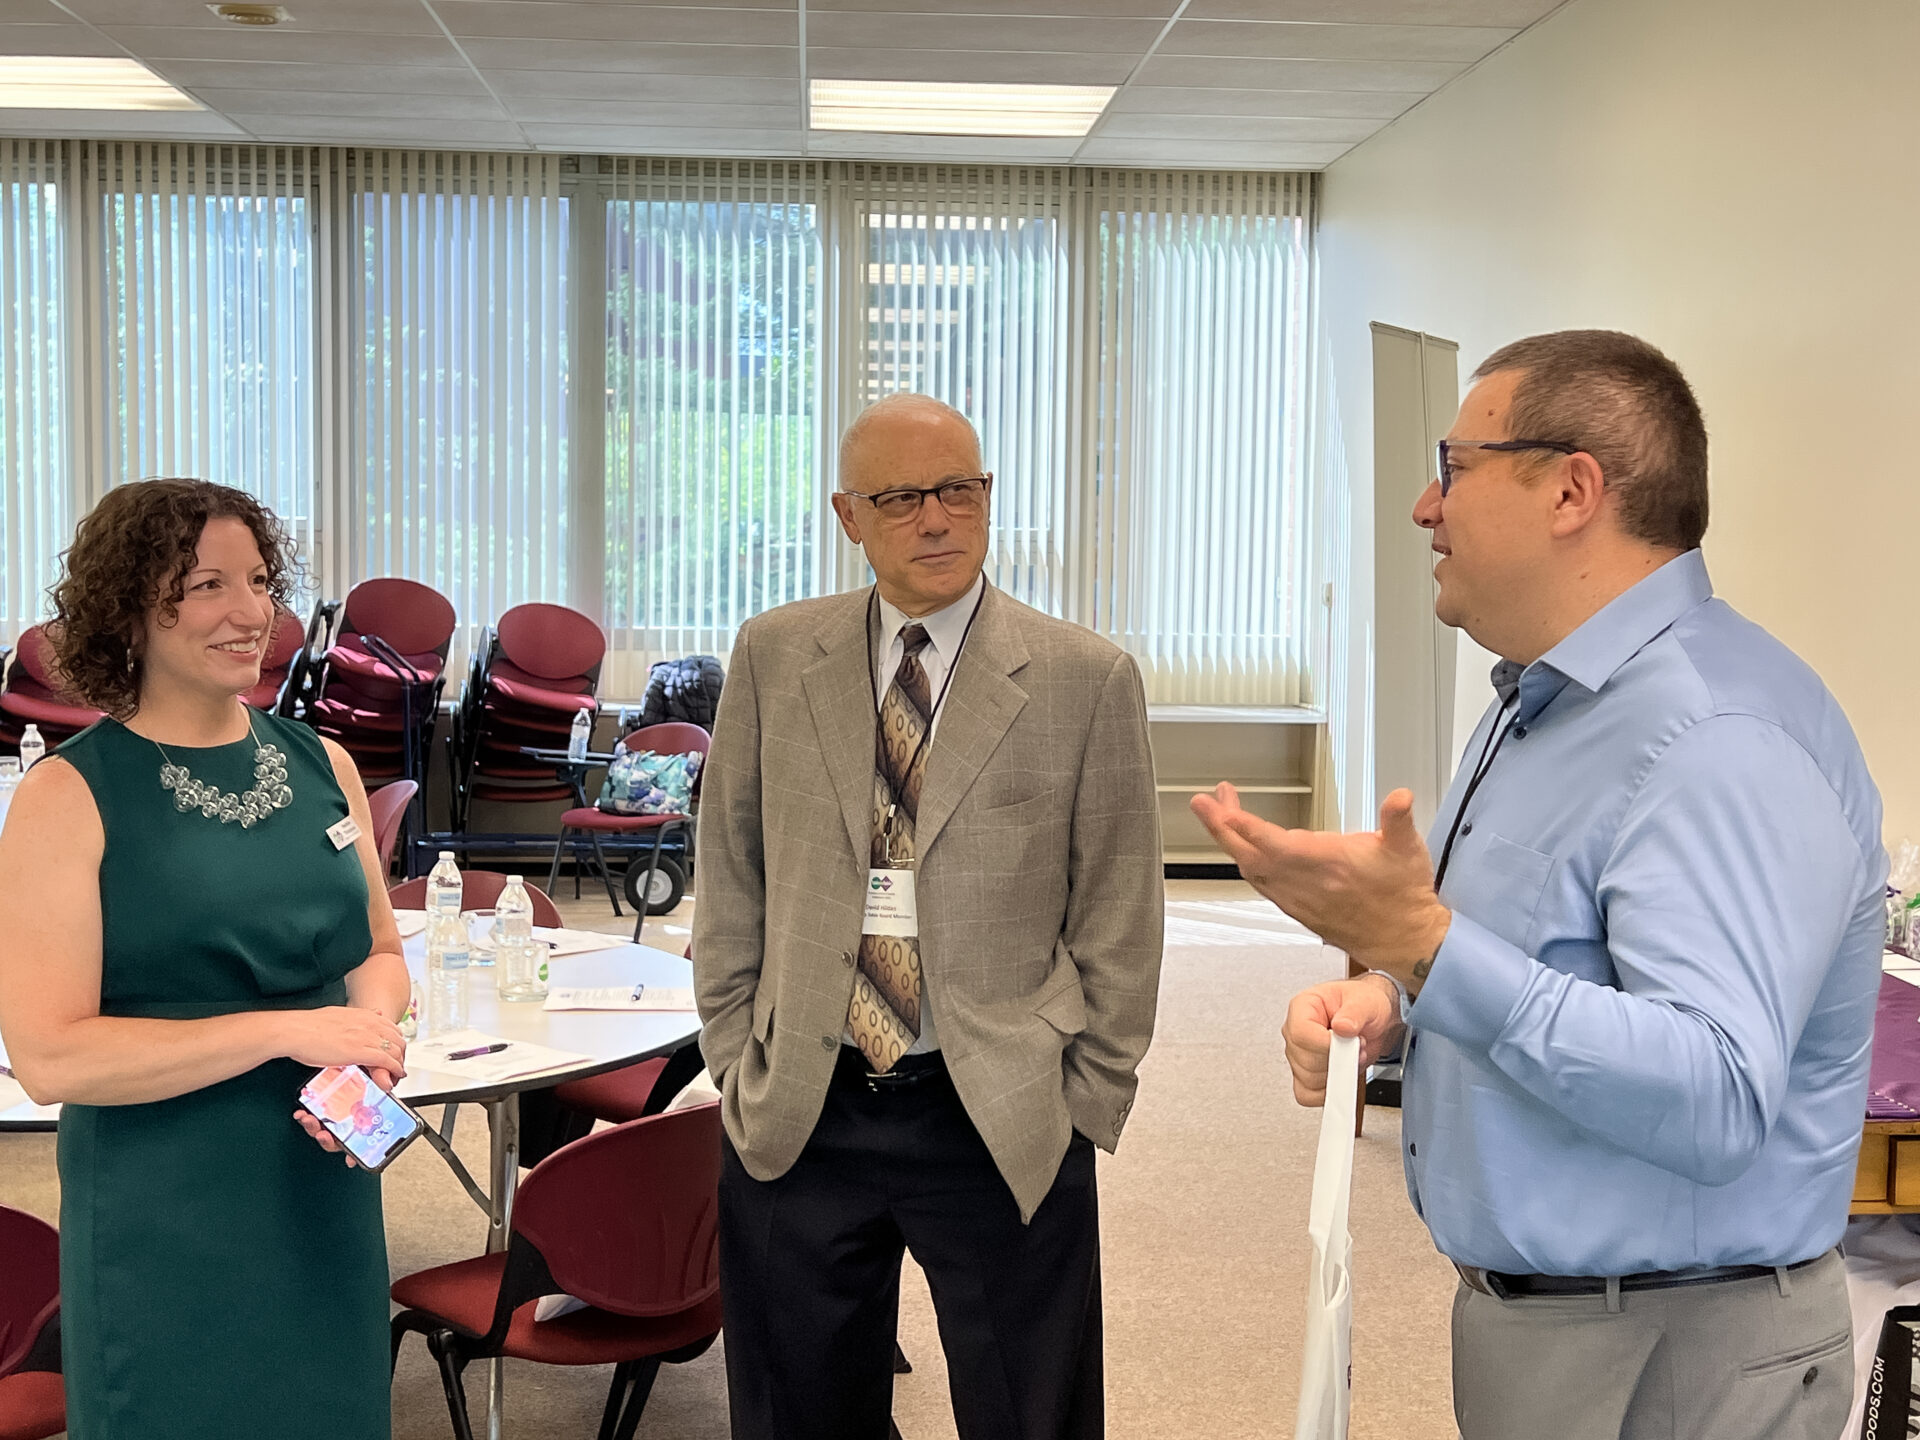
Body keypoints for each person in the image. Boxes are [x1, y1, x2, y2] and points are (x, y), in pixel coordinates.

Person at [1194, 331, 1886, 1440]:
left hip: (1675, 1355)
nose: (1426, 505)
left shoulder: (1717, 738)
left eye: (1455, 466)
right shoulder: (1543, 699)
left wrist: (1423, 949)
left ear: (1573, 490)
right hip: (1560, 1334)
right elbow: (1542, 959)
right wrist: (1395, 1002)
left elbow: (1716, 1094)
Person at [694, 393, 1164, 1440]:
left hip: (995, 1104)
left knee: (1030, 1411)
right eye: (901, 498)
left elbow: (1120, 915)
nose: (938, 519)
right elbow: (731, 865)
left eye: (959, 489)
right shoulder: (776, 655)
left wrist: (1089, 1095)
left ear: (987, 495)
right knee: (798, 1411)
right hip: (804, 1100)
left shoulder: (1085, 680)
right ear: (847, 515)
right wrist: (737, 1049)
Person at [0, 479, 411, 1440]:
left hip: (323, 1178)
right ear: (129, 609)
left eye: (261, 581)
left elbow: (379, 952)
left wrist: (372, 1032)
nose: (249, 613)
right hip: (167, 1203)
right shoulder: (68, 797)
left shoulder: (324, 763)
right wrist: (285, 1031)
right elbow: (52, 1058)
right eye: (206, 583)